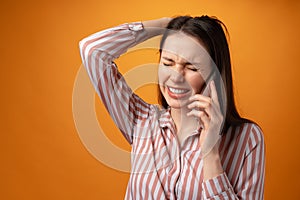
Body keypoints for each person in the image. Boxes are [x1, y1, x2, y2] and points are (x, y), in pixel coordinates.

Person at [79, 16, 265, 199]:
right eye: (167, 63)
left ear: (214, 76)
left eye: (191, 68)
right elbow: (92, 50)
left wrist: (210, 155)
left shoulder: (247, 139)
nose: (175, 77)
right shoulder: (141, 121)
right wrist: (163, 26)